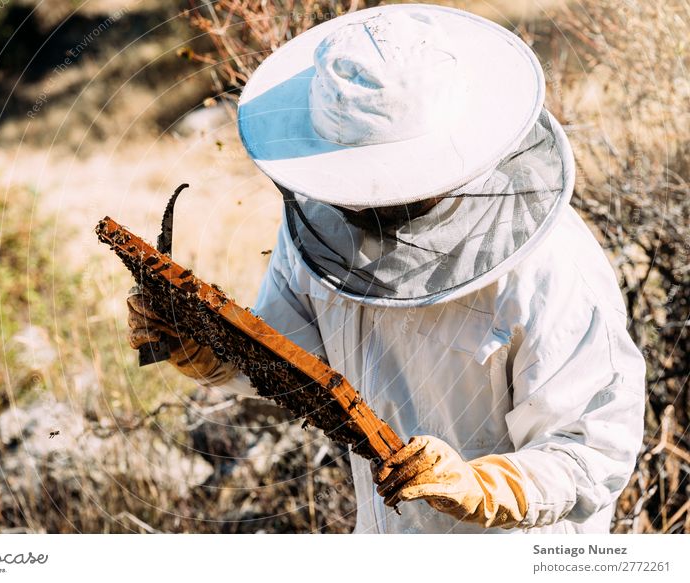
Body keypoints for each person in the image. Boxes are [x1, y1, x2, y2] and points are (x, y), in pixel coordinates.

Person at [127, 4, 646, 533]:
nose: (363, 202)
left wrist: (485, 486)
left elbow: (591, 449)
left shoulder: (550, 266)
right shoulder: (323, 226)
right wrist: (213, 352)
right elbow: (294, 362)